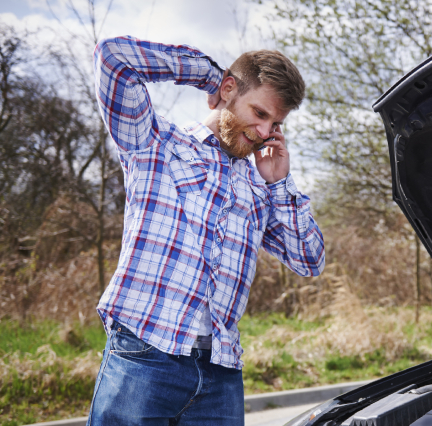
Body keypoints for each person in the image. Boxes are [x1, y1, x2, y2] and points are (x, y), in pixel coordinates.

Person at [86, 36, 325, 425]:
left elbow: (310, 260)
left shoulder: (259, 187)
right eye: (260, 113)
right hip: (146, 356)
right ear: (230, 91)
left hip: (220, 371)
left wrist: (280, 184)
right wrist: (211, 76)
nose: (265, 131)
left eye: (276, 124)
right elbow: (114, 58)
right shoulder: (155, 142)